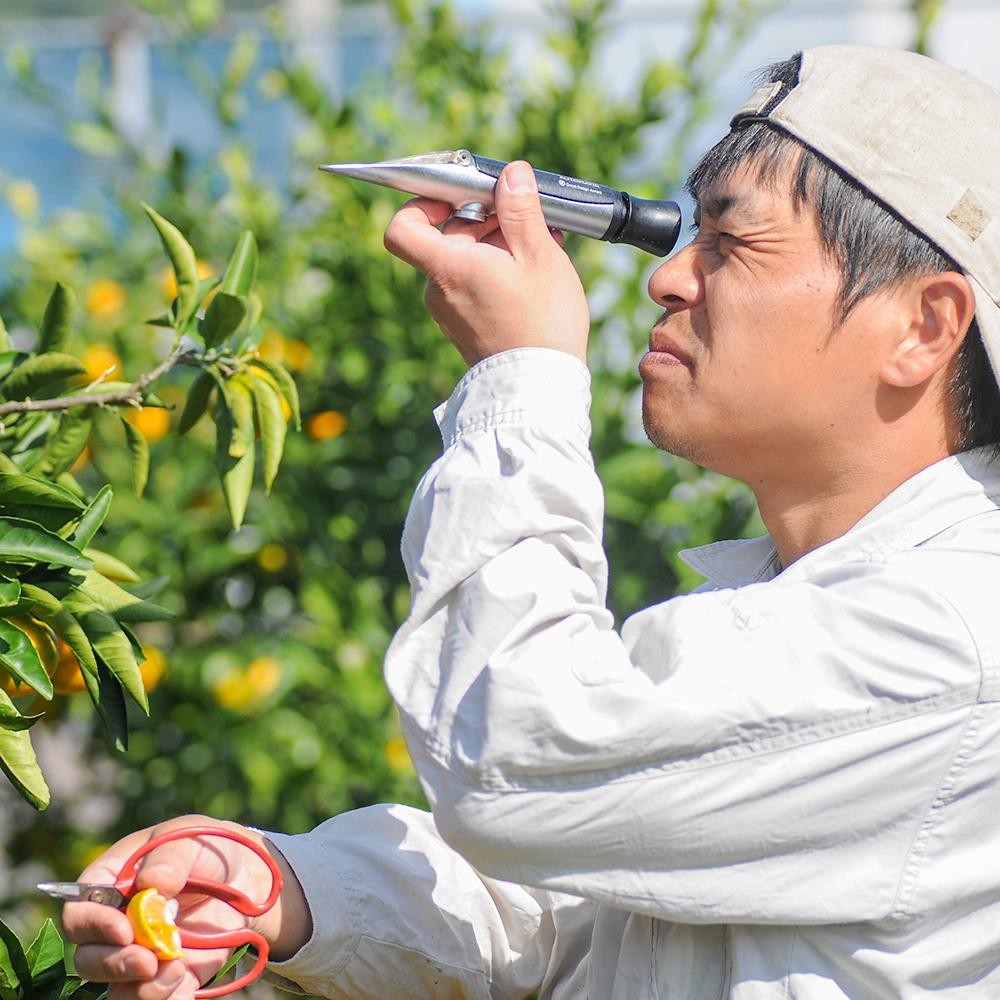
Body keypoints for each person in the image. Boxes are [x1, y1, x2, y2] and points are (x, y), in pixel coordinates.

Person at [62, 43, 1000, 999]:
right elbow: (576, 907)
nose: (669, 280)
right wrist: (293, 893)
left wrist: (520, 375)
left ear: (924, 326)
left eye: (735, 241)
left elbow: (518, 767)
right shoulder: (813, 594)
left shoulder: (950, 633)